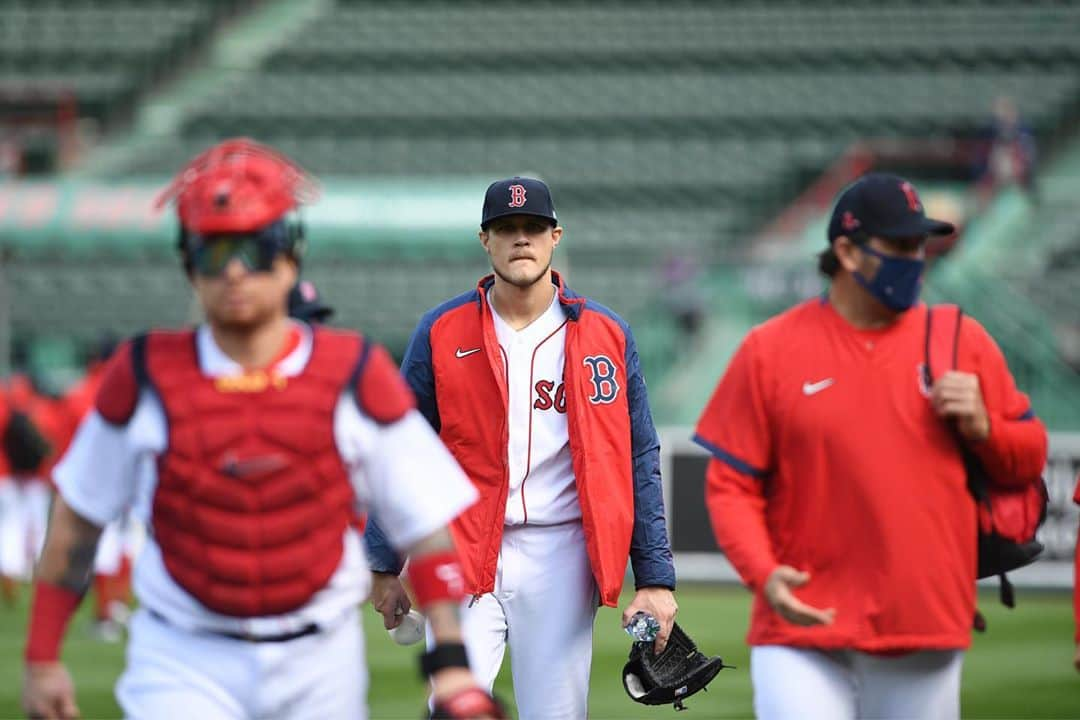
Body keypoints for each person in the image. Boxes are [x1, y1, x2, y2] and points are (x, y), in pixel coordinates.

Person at [21, 138, 501, 720]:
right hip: (181, 656)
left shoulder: (354, 372)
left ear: (291, 253)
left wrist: (450, 663)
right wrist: (42, 658)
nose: (236, 271)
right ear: (187, 260)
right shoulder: (142, 375)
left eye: (256, 246)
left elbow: (424, 521)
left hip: (318, 659)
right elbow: (79, 520)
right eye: (214, 250)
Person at [693, 172, 1048, 719]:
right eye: (900, 246)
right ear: (847, 253)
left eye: (920, 245)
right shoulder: (771, 349)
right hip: (802, 627)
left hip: (923, 626)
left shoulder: (961, 339)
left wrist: (985, 428)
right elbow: (730, 485)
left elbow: (1028, 458)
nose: (917, 259)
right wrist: (763, 572)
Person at [362, 176, 677, 719]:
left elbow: (636, 458)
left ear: (556, 236)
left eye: (533, 227)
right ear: (485, 241)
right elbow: (401, 451)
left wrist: (654, 579)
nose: (521, 239)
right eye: (506, 229)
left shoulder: (607, 334)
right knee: (451, 706)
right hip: (463, 543)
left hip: (562, 554)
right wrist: (383, 562)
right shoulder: (440, 328)